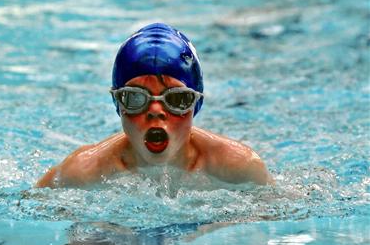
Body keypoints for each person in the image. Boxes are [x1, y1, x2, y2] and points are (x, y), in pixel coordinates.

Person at [36, 23, 273, 188]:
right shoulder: (82, 172)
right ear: (118, 103)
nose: (156, 111)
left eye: (176, 99)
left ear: (195, 104)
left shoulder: (239, 167)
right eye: (136, 98)